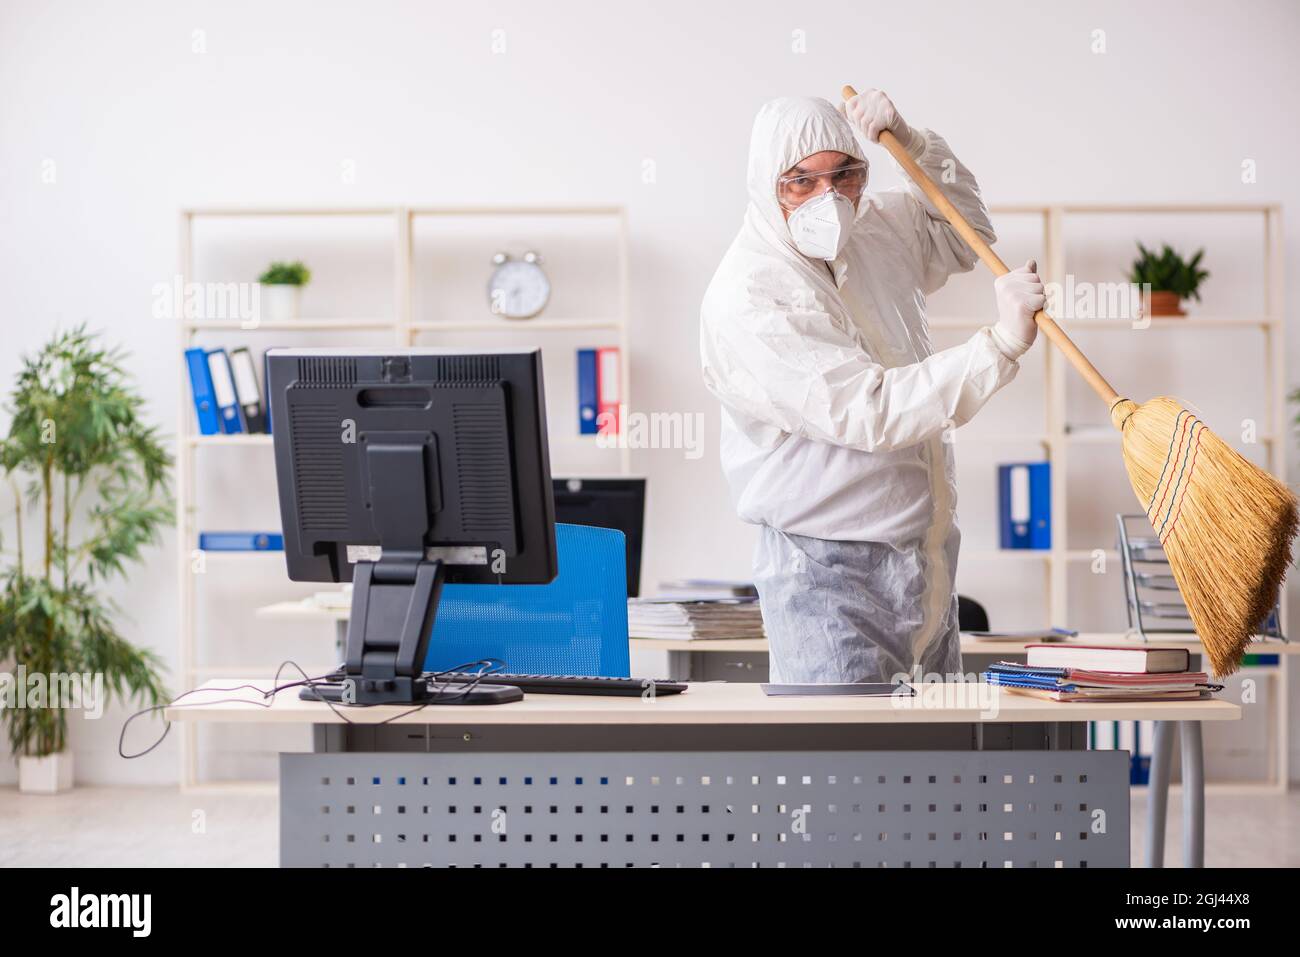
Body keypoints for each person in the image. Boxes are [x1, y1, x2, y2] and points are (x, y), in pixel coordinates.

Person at [699, 91, 1044, 684]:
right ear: (765, 185)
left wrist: (914, 144)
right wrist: (998, 347)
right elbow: (868, 412)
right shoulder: (751, 295)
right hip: (827, 576)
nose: (828, 198)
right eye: (800, 182)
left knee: (938, 772)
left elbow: (964, 235)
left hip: (928, 558)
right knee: (847, 770)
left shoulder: (873, 229)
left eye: (845, 175)